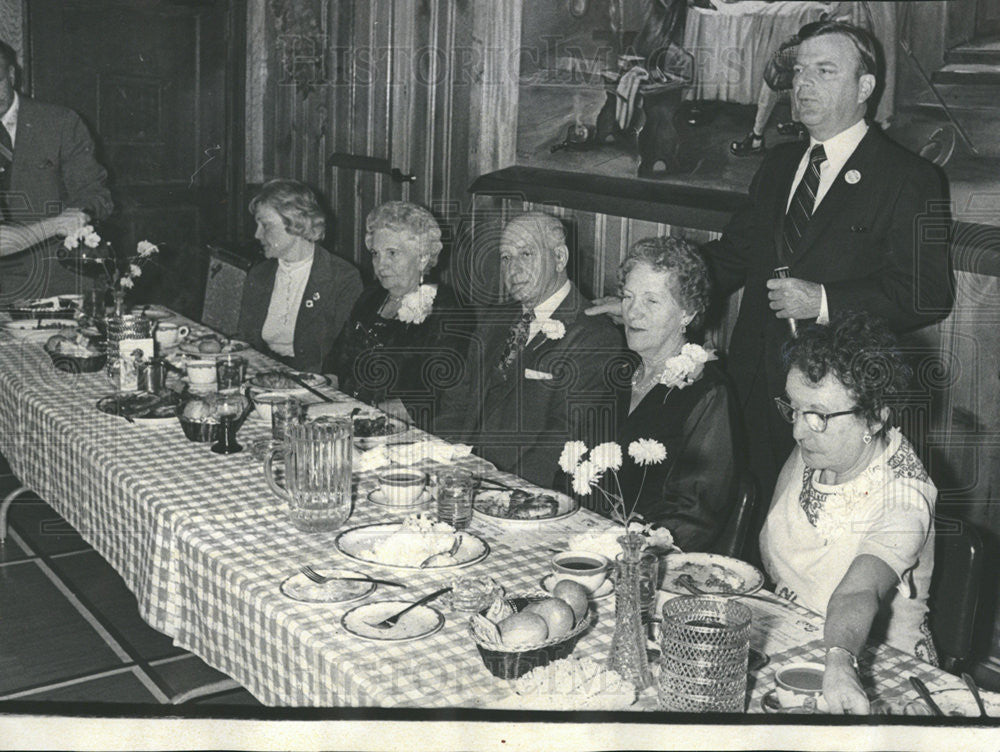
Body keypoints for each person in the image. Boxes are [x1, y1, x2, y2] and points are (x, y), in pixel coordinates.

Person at [591, 21, 952, 505]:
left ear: (864, 87)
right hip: (753, 383)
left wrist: (822, 301)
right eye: (799, 71)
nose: (802, 84)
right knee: (744, 522)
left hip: (836, 406)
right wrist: (655, 299)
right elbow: (734, 254)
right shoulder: (780, 165)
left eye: (824, 71)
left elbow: (928, 294)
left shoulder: (909, 178)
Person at [759, 311, 937, 715]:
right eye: (793, 408)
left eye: (818, 415)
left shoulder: (905, 497)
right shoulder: (819, 444)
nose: (798, 430)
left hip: (876, 670)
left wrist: (839, 660)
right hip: (797, 637)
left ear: (874, 417)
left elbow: (859, 590)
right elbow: (774, 541)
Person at [443, 212, 627, 491]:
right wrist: (438, 462)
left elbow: (563, 437)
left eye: (526, 254)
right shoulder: (495, 319)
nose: (512, 269)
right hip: (461, 474)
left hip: (519, 489)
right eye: (505, 258)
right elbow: (456, 402)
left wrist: (499, 491)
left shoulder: (594, 334)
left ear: (560, 258)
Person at [615, 236, 741, 552]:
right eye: (627, 297)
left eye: (651, 301)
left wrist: (630, 547)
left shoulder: (707, 390)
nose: (633, 313)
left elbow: (695, 511)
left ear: (687, 313)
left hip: (648, 558)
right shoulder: (615, 371)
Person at [325, 201, 474, 432]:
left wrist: (365, 416)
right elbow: (338, 356)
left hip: (401, 428)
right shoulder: (372, 296)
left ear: (422, 257)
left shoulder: (447, 309)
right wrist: (322, 398)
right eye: (375, 254)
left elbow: (435, 395)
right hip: (348, 415)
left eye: (392, 253)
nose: (380, 265)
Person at [0, 40, 113, 297]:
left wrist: (79, 214)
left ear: (11, 74)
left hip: (56, 278)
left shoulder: (60, 123)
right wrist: (55, 224)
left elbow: (95, 193)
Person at [237, 179, 362, 373]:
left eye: (266, 226)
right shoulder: (259, 274)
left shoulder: (342, 278)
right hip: (263, 378)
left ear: (297, 224)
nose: (257, 234)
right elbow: (246, 343)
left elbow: (344, 360)